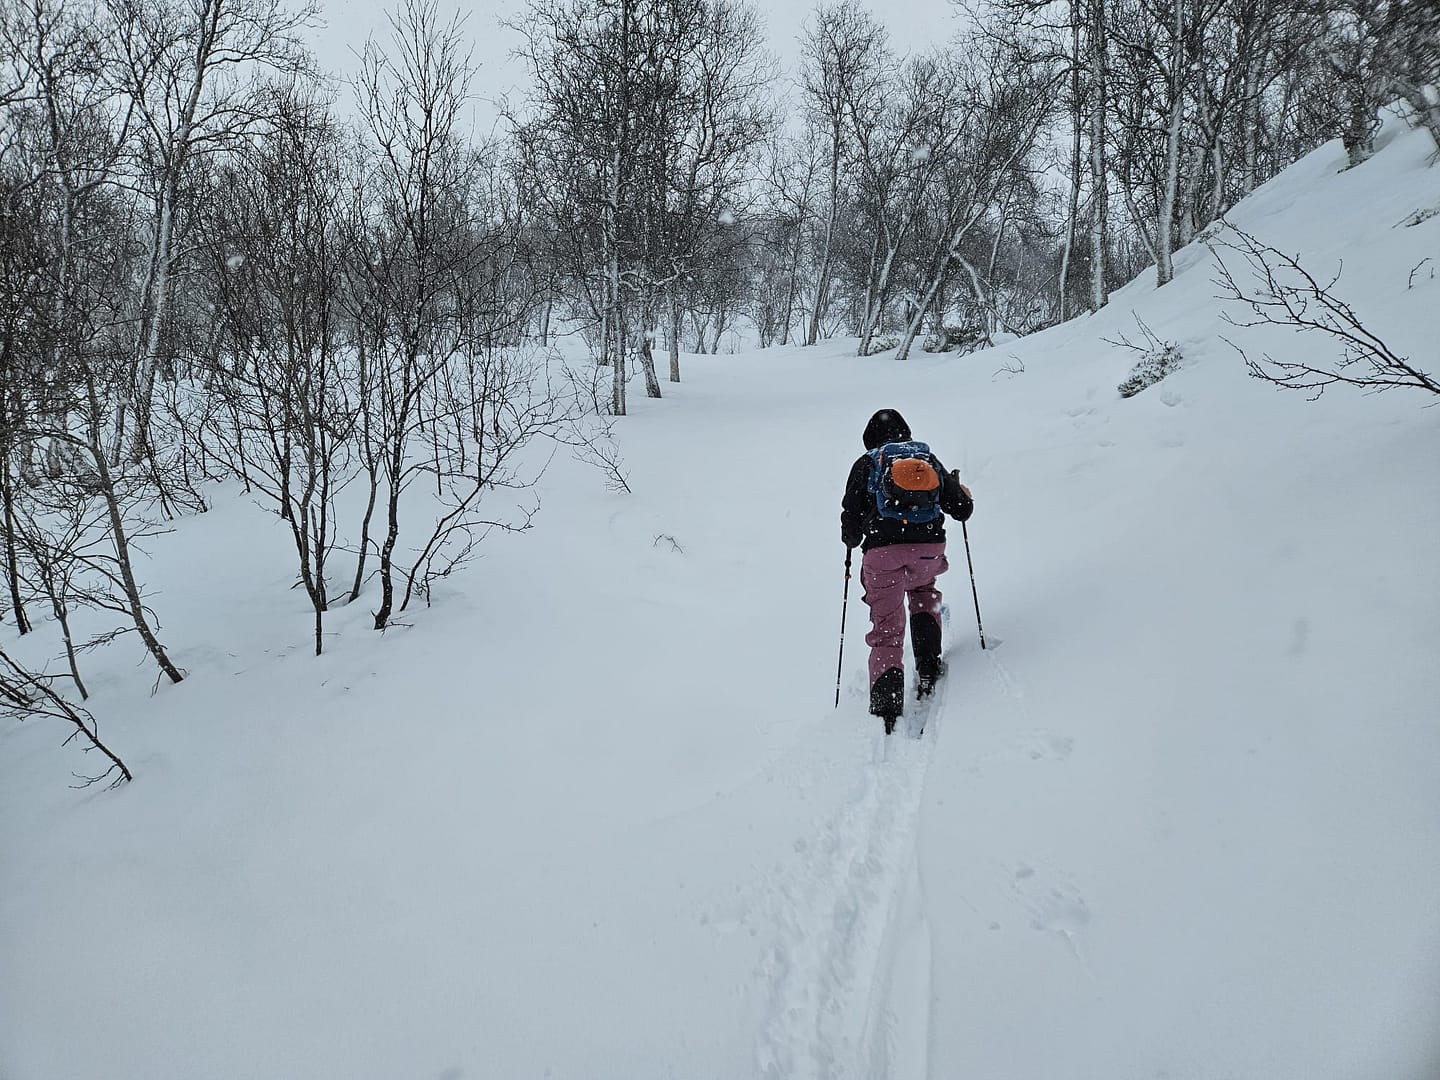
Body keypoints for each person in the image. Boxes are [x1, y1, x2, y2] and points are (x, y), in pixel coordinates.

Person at [840, 408, 974, 732]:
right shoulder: (926, 459)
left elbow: (851, 521)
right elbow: (961, 509)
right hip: (927, 551)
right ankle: (928, 664)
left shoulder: (867, 463)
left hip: (882, 553)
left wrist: (852, 541)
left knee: (887, 623)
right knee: (923, 593)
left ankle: (887, 703)